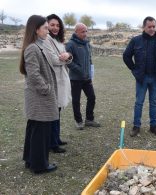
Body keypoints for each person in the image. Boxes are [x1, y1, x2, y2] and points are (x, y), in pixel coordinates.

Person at [20, 15, 58, 173]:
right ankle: (39, 165)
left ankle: (31, 160)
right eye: (45, 28)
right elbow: (34, 74)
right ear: (36, 30)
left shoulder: (37, 46)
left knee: (35, 129)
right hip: (39, 98)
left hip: (39, 97)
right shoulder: (32, 48)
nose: (48, 31)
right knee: (40, 132)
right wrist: (46, 89)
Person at [123, 16, 156, 137]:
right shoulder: (136, 40)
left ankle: (153, 126)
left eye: (154, 26)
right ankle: (136, 126)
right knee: (139, 102)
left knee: (154, 102)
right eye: (149, 26)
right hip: (142, 78)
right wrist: (134, 70)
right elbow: (126, 56)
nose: (152, 29)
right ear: (144, 27)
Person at [45, 14, 72, 153]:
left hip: (62, 77)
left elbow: (66, 58)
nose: (55, 28)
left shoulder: (59, 40)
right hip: (54, 78)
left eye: (57, 25)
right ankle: (52, 143)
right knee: (54, 111)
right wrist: (65, 56)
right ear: (46, 25)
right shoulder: (46, 40)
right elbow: (55, 60)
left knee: (58, 110)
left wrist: (67, 56)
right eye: (52, 25)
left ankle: (56, 138)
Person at [65, 23, 100, 130]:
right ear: (76, 32)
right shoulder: (70, 44)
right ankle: (78, 121)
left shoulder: (86, 44)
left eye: (86, 31)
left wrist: (90, 72)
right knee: (76, 100)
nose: (85, 34)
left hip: (87, 78)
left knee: (92, 97)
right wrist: (80, 71)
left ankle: (89, 119)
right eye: (82, 31)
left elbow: (89, 60)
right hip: (75, 79)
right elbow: (68, 61)